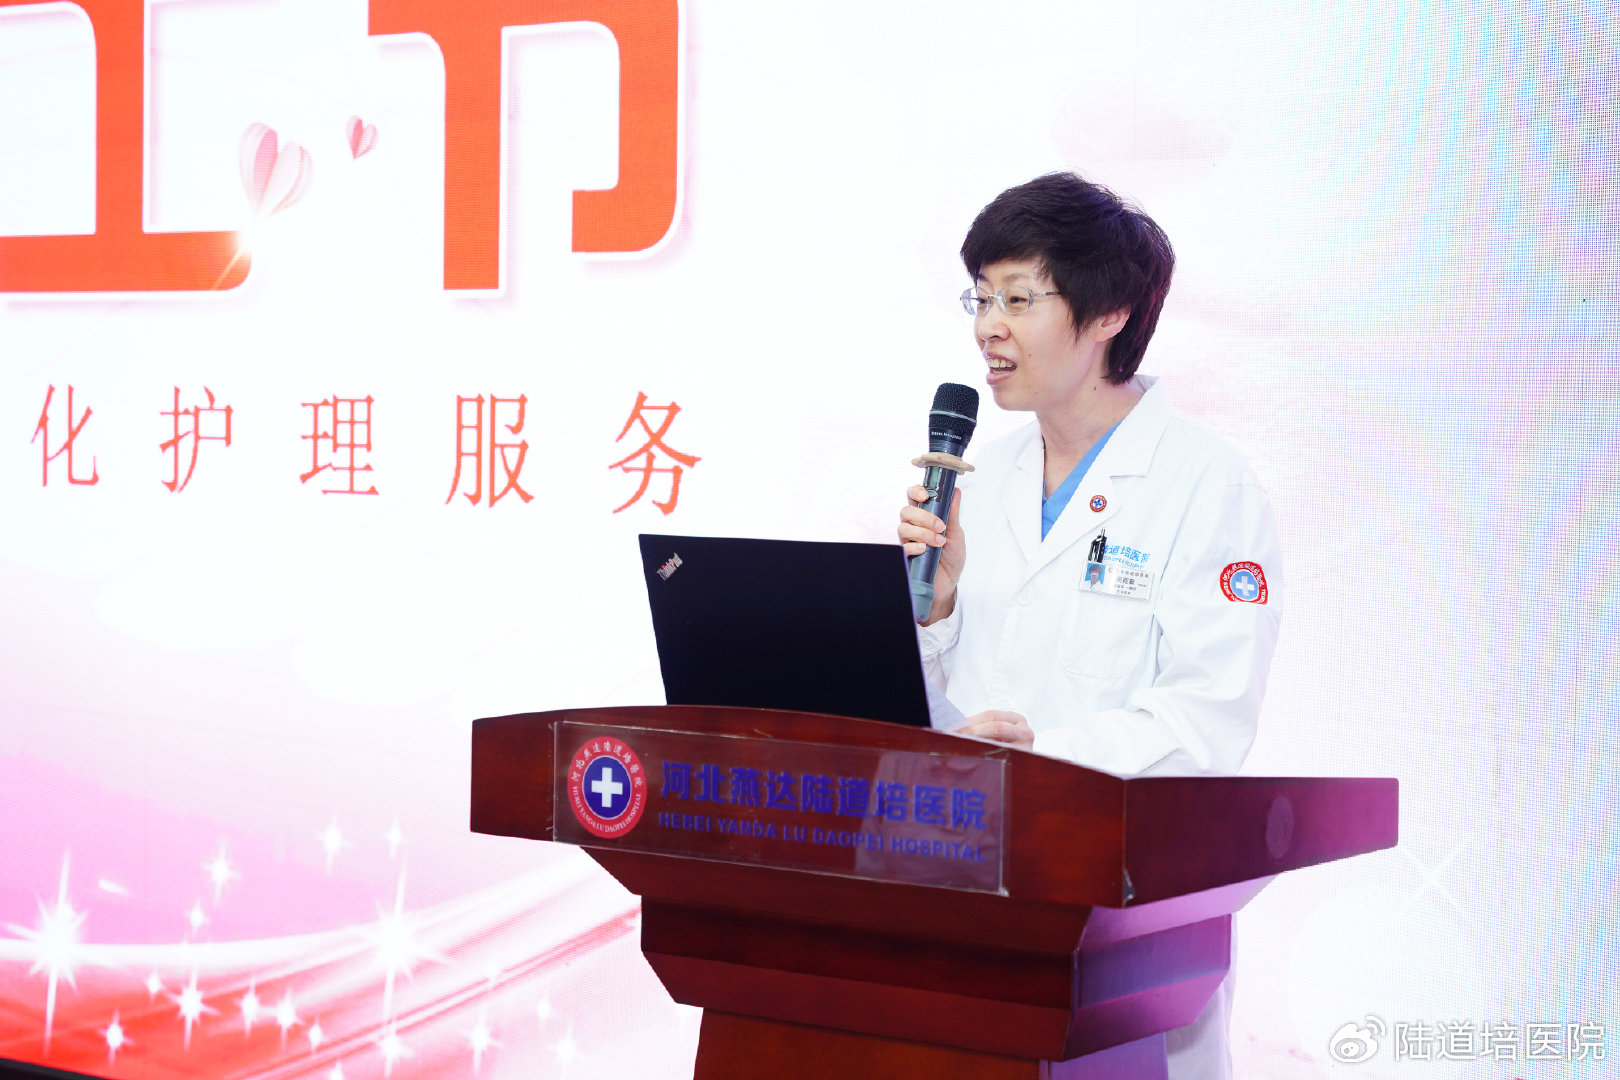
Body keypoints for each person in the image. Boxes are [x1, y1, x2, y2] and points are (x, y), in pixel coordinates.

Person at [896, 172, 1283, 1080]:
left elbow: (1205, 724)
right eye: (981, 297)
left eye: (1018, 299)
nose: (988, 326)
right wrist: (937, 605)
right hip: (966, 901)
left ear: (1109, 313)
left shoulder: (1206, 486)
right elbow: (935, 709)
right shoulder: (980, 476)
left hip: (1120, 931)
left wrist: (1038, 761)